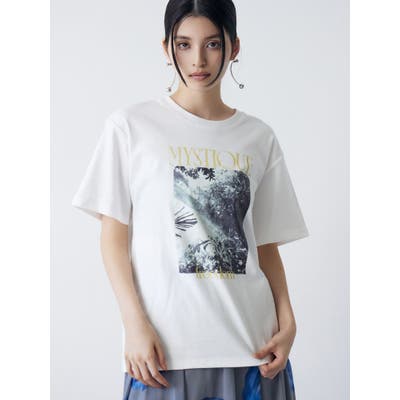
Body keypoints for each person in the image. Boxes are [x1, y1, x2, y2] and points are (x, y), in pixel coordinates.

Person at [71, 0, 309, 398]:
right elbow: (113, 236)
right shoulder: (131, 127)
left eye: (213, 44)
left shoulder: (258, 137)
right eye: (184, 44)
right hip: (164, 356)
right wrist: (133, 323)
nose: (198, 59)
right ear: (167, 48)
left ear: (234, 47)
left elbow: (265, 246)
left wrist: (289, 322)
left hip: (254, 351)